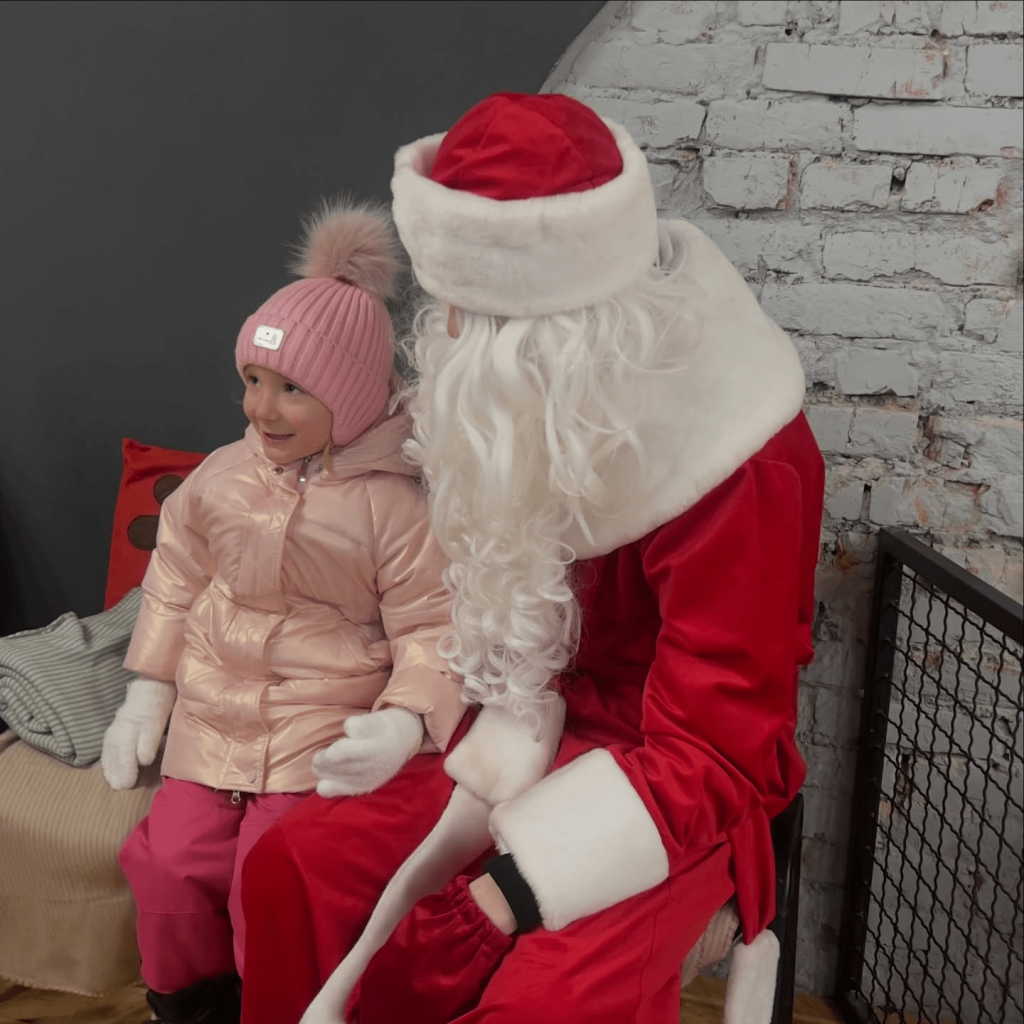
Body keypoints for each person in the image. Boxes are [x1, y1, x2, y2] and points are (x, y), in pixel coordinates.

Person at [239, 92, 825, 1024]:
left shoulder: (738, 457)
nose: (447, 338)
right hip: (523, 718)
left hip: (671, 780)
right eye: (448, 305)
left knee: (546, 1005)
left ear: (557, 331)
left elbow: (720, 747)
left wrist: (506, 893)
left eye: (472, 316)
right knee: (295, 869)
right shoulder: (528, 403)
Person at [99, 201, 464, 1024]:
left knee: (269, 879)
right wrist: (147, 694)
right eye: (253, 381)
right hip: (209, 725)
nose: (260, 408)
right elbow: (174, 578)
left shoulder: (395, 507)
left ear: (353, 397)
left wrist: (404, 719)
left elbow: (431, 627)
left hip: (315, 735)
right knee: (167, 866)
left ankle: (270, 1005)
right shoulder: (223, 476)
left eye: (292, 389)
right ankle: (184, 1007)